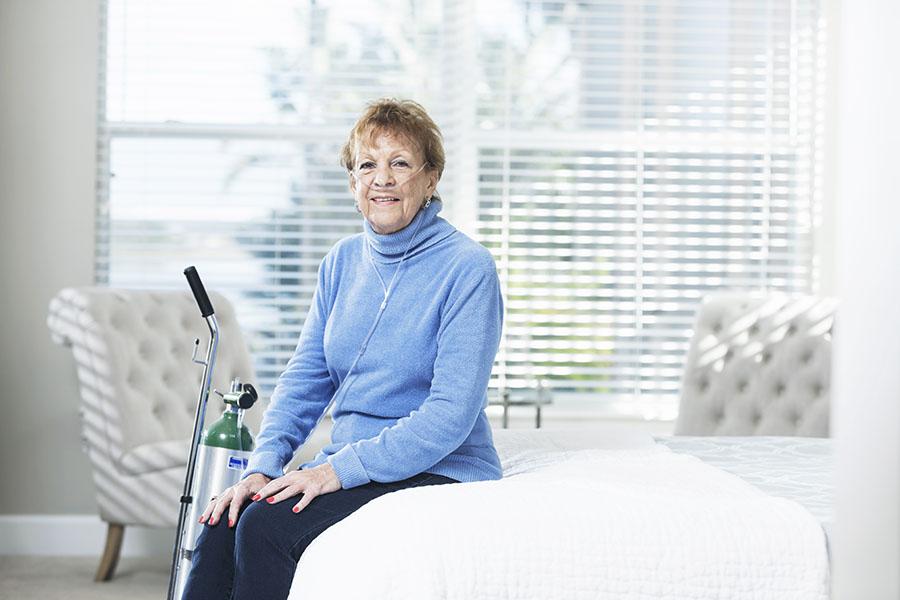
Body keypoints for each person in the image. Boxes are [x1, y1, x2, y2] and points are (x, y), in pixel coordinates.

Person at [182, 98, 504, 599]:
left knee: (266, 527)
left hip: (437, 467)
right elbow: (307, 378)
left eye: (400, 163)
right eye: (367, 165)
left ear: (431, 177)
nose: (383, 179)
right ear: (353, 184)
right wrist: (264, 464)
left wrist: (336, 470)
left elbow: (450, 414)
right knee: (226, 517)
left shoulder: (467, 268)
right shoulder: (341, 262)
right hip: (352, 460)